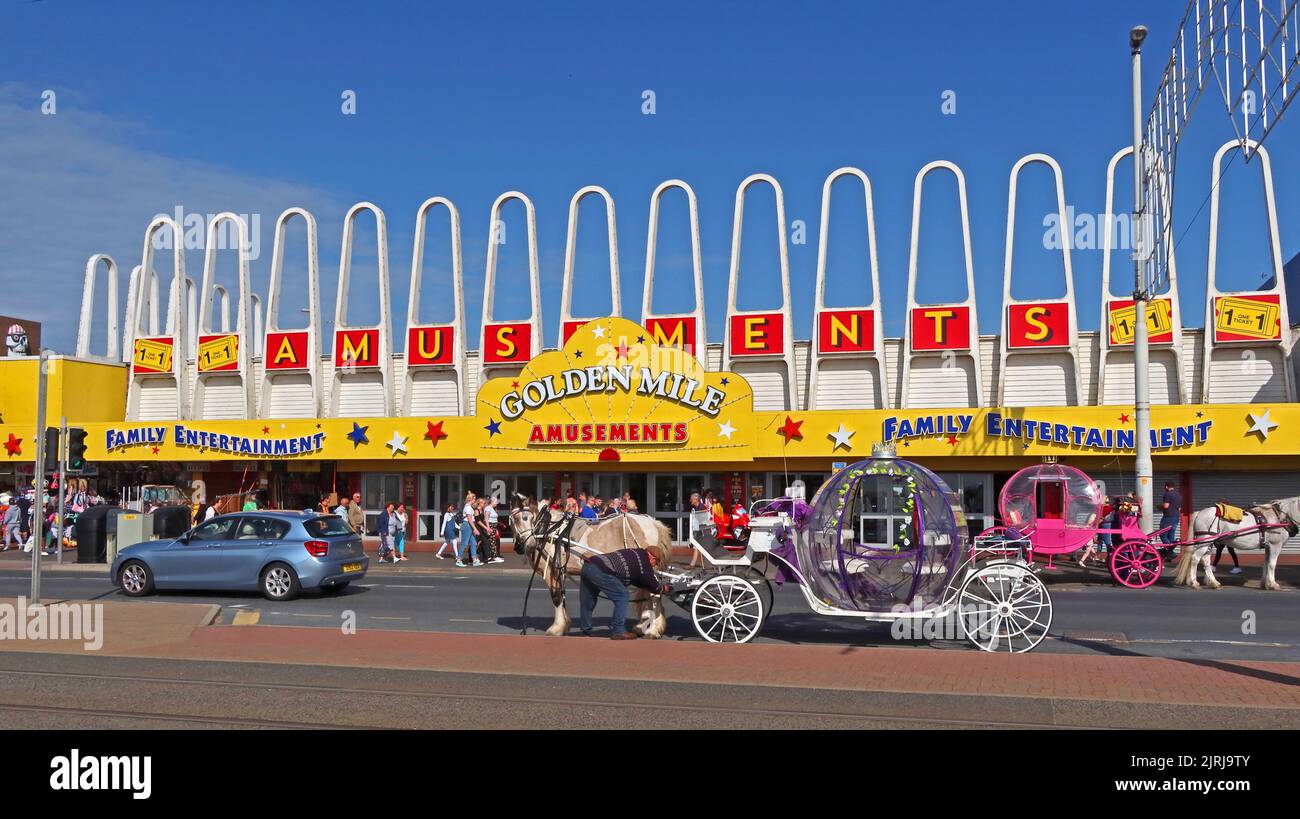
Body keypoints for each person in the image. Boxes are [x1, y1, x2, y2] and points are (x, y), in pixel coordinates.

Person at [579, 544, 673, 640]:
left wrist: (648, 586)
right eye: (656, 563)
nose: (655, 565)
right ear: (652, 558)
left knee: (588, 601)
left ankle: (586, 630)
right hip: (602, 571)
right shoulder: (644, 563)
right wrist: (664, 588)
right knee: (622, 596)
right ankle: (619, 631)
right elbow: (654, 586)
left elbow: (636, 579)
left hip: (588, 565)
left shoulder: (634, 553)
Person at [458, 491, 481, 568]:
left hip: (469, 525)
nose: (475, 500)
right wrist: (475, 528)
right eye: (474, 499)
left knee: (473, 543)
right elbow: (469, 519)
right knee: (464, 543)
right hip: (467, 525)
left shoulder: (469, 507)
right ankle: (459, 560)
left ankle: (474, 560)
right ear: (470, 499)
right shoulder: (468, 507)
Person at [1158, 481, 1182, 556]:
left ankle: (1170, 552)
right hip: (1176, 517)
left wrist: (1159, 506)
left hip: (1168, 517)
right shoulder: (1178, 495)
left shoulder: (1167, 494)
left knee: (1162, 534)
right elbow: (1179, 508)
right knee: (1171, 535)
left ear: (1166, 487)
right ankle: (1170, 552)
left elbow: (1166, 506)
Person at [481, 498, 504, 564]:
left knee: (493, 541)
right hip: (490, 526)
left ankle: (494, 556)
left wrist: (496, 529)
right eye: (496, 502)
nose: (497, 503)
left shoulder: (492, 508)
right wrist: (488, 528)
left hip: (494, 526)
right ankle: (494, 556)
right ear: (492, 502)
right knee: (492, 541)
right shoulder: (488, 508)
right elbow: (486, 519)